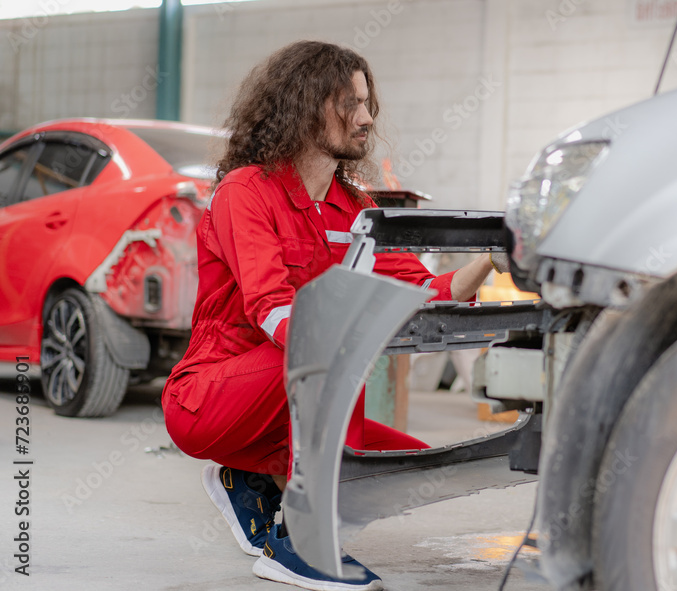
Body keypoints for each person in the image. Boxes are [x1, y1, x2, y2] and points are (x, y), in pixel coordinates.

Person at [161, 40, 508, 591]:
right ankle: (298, 541)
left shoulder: (359, 209)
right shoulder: (245, 191)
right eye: (349, 103)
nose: (366, 117)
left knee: (408, 465)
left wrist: (493, 257)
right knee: (336, 346)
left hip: (291, 399)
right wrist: (340, 341)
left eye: (368, 103)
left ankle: (248, 478)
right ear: (303, 105)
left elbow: (427, 291)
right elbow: (270, 308)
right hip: (209, 397)